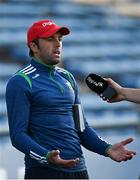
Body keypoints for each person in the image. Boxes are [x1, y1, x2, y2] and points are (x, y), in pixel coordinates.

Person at [6, 19, 136, 179]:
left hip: (78, 170)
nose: (58, 44)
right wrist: (46, 156)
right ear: (34, 46)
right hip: (44, 172)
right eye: (50, 39)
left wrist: (107, 149)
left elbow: (82, 128)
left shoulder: (67, 77)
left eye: (59, 39)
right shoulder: (20, 81)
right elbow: (18, 135)